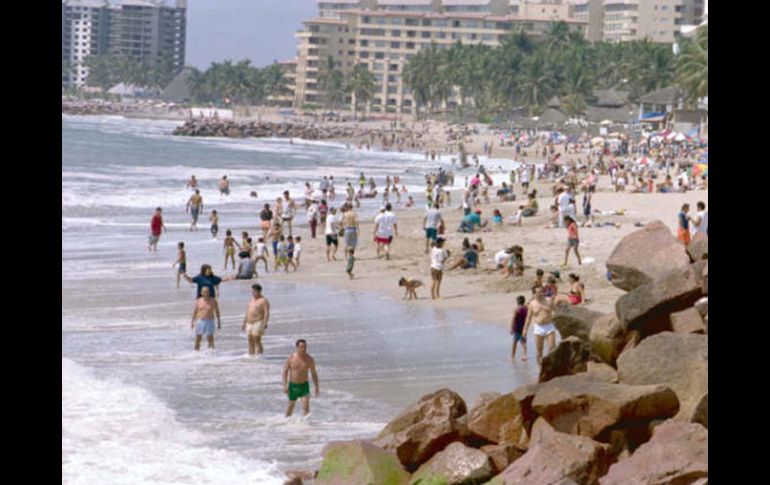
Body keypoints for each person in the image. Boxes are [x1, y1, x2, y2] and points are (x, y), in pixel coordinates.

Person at [283, 339, 319, 417]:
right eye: (301, 347)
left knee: (306, 407)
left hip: (304, 386)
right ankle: (286, 424)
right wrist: (285, 385)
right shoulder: (291, 358)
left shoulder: (309, 359)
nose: (304, 349)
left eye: (305, 347)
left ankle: (307, 426)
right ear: (297, 347)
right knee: (290, 408)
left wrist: (317, 387)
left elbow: (314, 374)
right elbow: (285, 372)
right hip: (293, 386)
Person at [525, 286, 557, 364]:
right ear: (534, 294)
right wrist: (525, 329)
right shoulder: (531, 304)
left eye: (541, 292)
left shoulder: (549, 300)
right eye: (538, 292)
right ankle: (540, 370)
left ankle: (550, 367)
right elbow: (528, 318)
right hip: (538, 328)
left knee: (552, 348)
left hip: (549, 326)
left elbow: (557, 311)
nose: (540, 294)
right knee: (539, 351)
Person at [242, 283, 270, 356]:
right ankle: (251, 355)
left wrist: (265, 322)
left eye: (255, 291)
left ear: (259, 291)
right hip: (249, 322)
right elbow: (247, 312)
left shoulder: (263, 300)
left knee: (257, 339)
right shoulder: (251, 300)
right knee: (250, 340)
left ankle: (260, 356)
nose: (253, 293)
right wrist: (244, 322)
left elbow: (266, 312)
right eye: (252, 291)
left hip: (258, 321)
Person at [190, 286, 221, 351]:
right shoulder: (198, 301)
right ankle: (196, 352)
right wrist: (192, 322)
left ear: (209, 292)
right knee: (198, 338)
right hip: (200, 321)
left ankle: (211, 352)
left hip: (210, 321)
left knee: (210, 338)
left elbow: (217, 311)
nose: (206, 293)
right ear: (201, 293)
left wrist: (219, 322)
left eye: (207, 292)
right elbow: (195, 312)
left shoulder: (213, 301)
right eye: (204, 292)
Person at [511, 295, 528, 361]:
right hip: (524, 327)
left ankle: (512, 356)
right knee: (523, 343)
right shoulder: (526, 308)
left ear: (517, 302)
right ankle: (524, 356)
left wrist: (511, 328)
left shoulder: (516, 310)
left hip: (517, 328)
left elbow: (513, 319)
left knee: (515, 342)